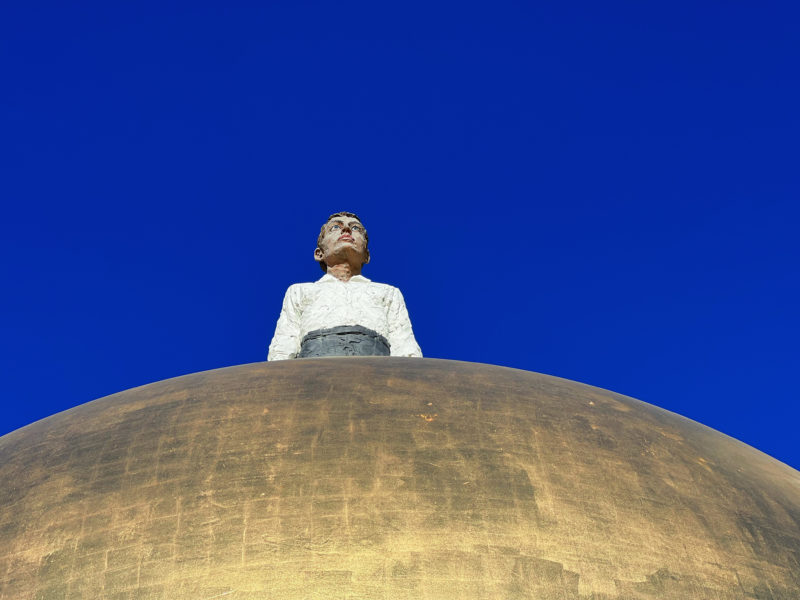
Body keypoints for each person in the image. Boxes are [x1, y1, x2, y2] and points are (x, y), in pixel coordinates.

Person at [267, 212, 422, 360]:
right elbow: (284, 345)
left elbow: (405, 347)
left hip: (376, 372)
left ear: (367, 255)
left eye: (356, 228)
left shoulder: (388, 293)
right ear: (319, 253)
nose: (347, 230)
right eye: (335, 227)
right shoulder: (300, 291)